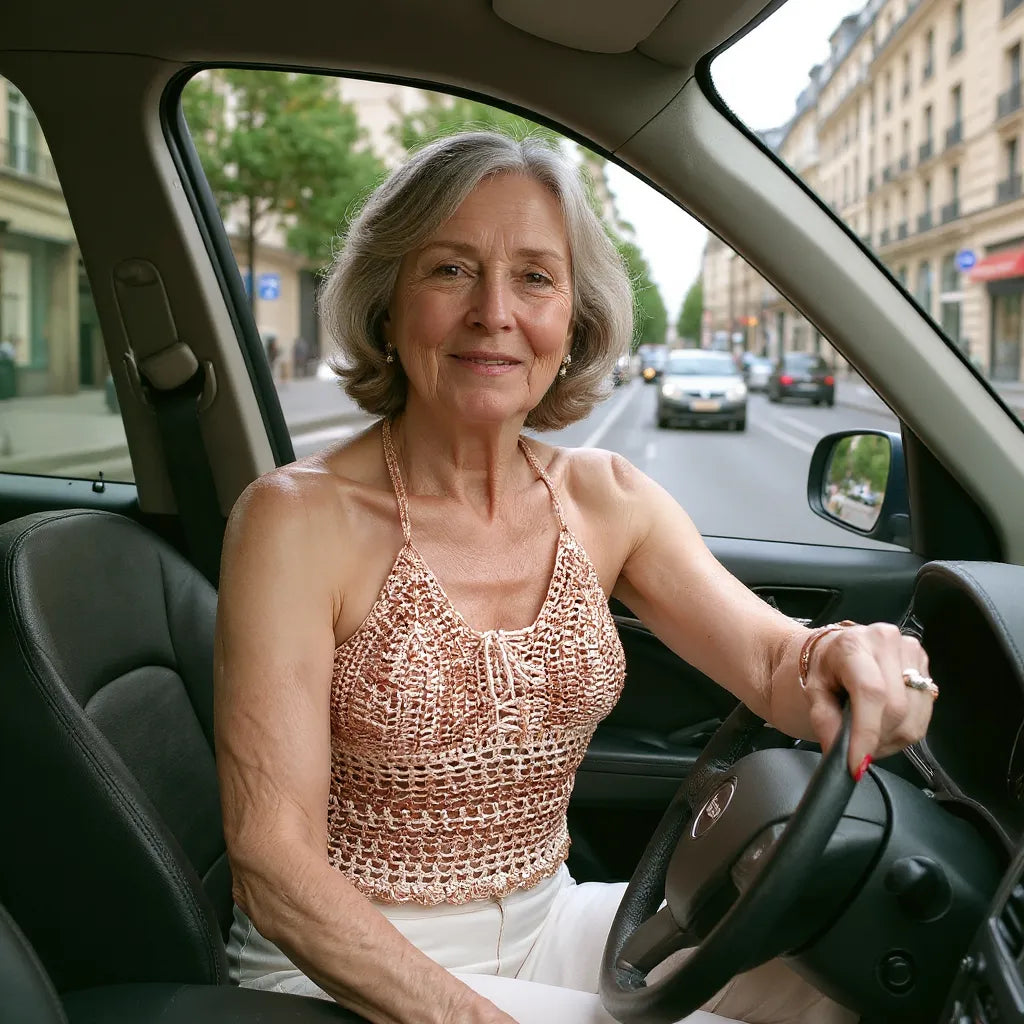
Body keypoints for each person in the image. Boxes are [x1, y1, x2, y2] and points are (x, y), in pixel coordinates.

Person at [214, 131, 935, 1024]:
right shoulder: (293, 519)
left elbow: (779, 669)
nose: (493, 311)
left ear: (575, 322)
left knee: (849, 978)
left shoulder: (607, 499)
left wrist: (864, 663)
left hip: (550, 919)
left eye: (535, 277)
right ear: (386, 308)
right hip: (337, 963)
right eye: (448, 270)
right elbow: (272, 864)